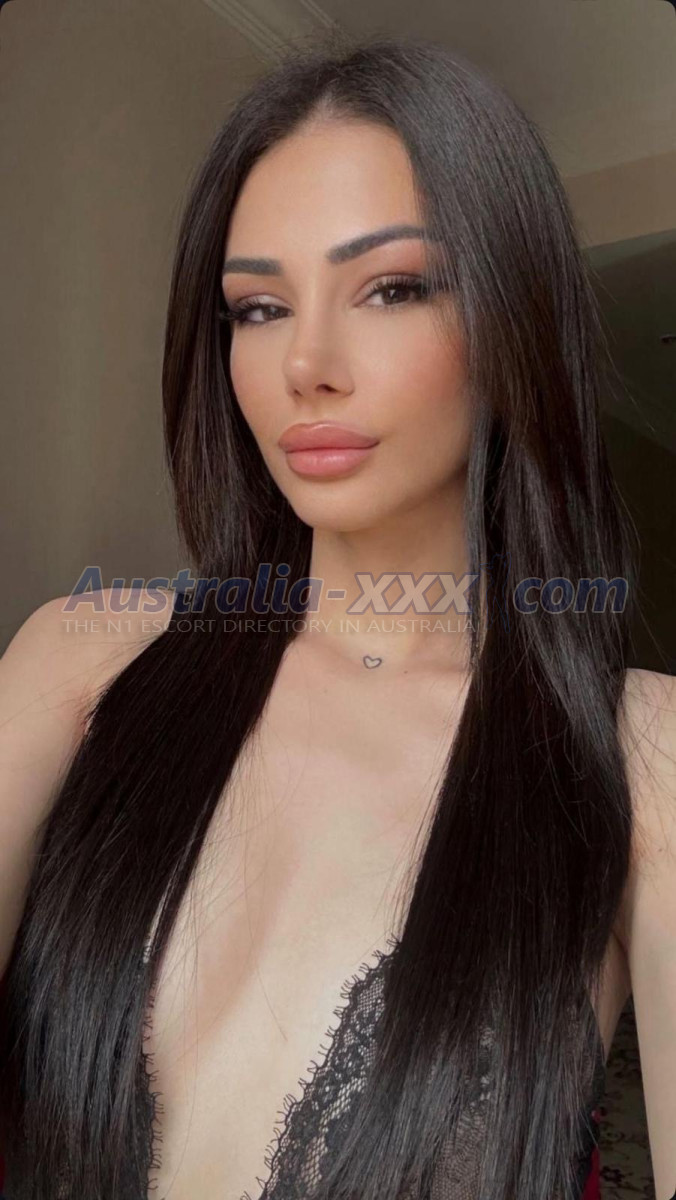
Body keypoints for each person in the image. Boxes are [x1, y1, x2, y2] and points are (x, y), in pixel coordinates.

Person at [0, 30, 675, 1200]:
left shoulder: (642, 760)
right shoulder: (81, 658)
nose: (304, 364)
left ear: (512, 320)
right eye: (258, 307)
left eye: (392, 288)